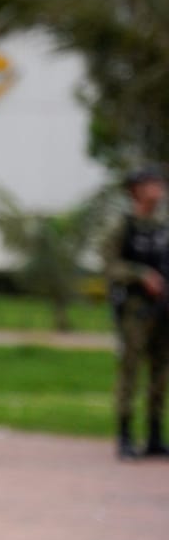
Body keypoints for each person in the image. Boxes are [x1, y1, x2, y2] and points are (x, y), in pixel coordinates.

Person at [104, 164, 169, 460]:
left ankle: (155, 435)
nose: (159, 188)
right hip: (136, 309)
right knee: (130, 369)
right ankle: (125, 436)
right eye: (151, 183)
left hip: (164, 309)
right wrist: (140, 275)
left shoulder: (163, 227)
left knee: (161, 372)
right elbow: (110, 266)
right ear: (136, 190)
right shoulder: (123, 227)